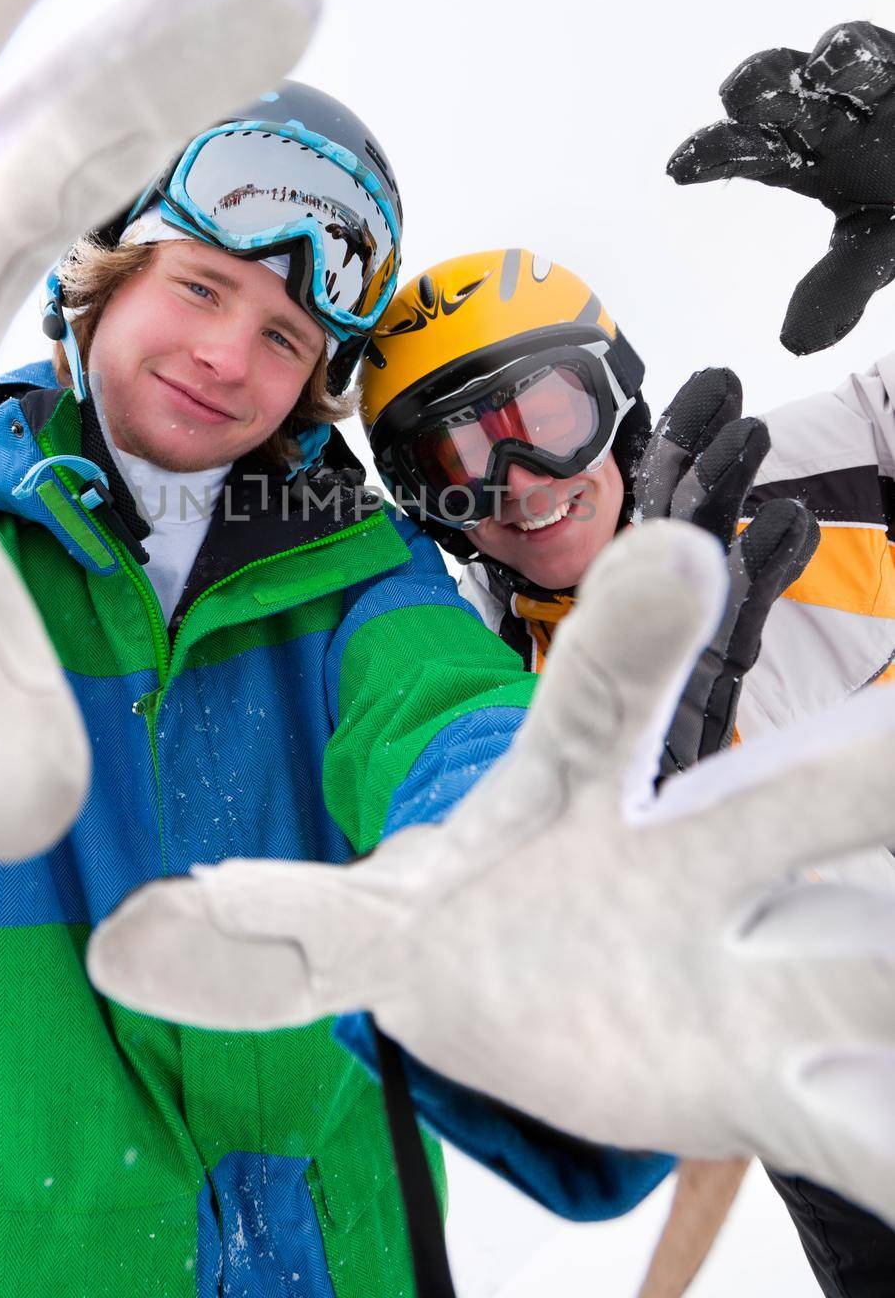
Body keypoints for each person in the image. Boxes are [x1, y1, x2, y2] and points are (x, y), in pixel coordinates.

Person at [0, 82, 679, 1298]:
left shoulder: (362, 578)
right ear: (106, 274)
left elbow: (459, 725)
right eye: (198, 286)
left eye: (285, 337)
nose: (229, 355)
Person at [358, 243, 895, 1298]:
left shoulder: (801, 474)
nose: (520, 488)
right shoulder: (497, 705)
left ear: (618, 395)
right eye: (459, 468)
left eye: (547, 424)